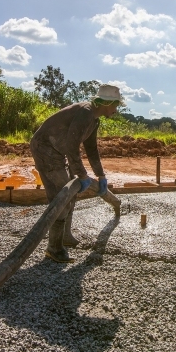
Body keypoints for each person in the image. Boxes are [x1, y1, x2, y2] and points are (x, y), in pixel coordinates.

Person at [30, 84, 123, 263]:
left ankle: (65, 237)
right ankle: (54, 248)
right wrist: (81, 175)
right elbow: (72, 146)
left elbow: (91, 148)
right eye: (115, 105)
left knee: (69, 195)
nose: (116, 110)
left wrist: (101, 175)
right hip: (46, 149)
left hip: (58, 151)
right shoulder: (85, 113)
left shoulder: (94, 119)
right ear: (107, 102)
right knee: (62, 196)